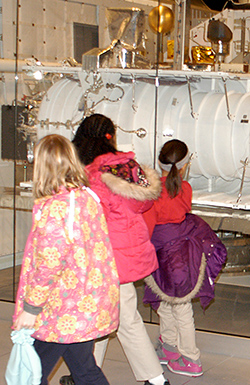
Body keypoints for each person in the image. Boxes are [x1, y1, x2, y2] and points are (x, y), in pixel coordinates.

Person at [12, 134, 119, 385]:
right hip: (86, 303)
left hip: (60, 309)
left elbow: (49, 263)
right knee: (85, 370)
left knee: (32, 373)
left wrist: (31, 309)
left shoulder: (56, 208)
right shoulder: (86, 197)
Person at [71, 114, 170, 385]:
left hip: (104, 256)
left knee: (125, 319)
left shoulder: (89, 174)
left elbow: (86, 218)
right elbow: (144, 205)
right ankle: (86, 373)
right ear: (111, 137)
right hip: (129, 252)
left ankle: (156, 379)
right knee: (104, 316)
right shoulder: (128, 167)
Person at [141, 140, 228, 378]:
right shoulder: (185, 188)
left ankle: (188, 356)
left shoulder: (151, 190)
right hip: (181, 253)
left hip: (159, 250)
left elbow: (148, 223)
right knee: (179, 305)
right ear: (184, 165)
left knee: (169, 303)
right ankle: (175, 349)